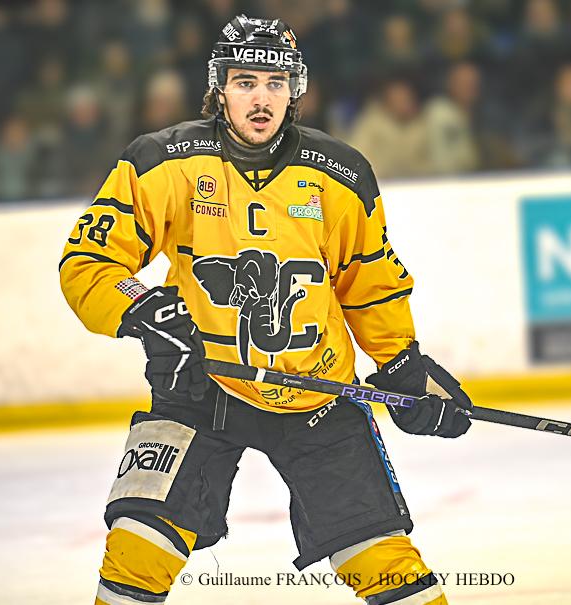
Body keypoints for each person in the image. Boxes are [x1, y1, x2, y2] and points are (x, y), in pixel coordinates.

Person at [58, 15, 472, 605]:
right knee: (137, 550)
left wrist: (402, 363)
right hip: (200, 387)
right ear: (219, 88)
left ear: (294, 89)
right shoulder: (162, 161)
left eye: (276, 83)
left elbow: (370, 283)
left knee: (384, 562)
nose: (261, 98)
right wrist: (144, 309)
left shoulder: (340, 174)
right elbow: (89, 261)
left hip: (317, 392)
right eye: (246, 82)